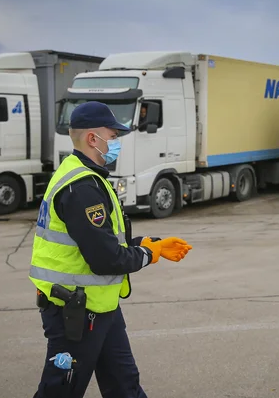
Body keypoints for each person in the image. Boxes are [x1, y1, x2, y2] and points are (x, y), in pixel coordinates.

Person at [29, 101, 192, 398]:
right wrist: (150, 255)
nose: (116, 143)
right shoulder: (82, 188)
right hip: (75, 312)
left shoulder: (81, 174)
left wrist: (147, 243)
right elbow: (105, 258)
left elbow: (103, 240)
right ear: (93, 139)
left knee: (123, 385)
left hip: (100, 307)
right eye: (113, 136)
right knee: (60, 391)